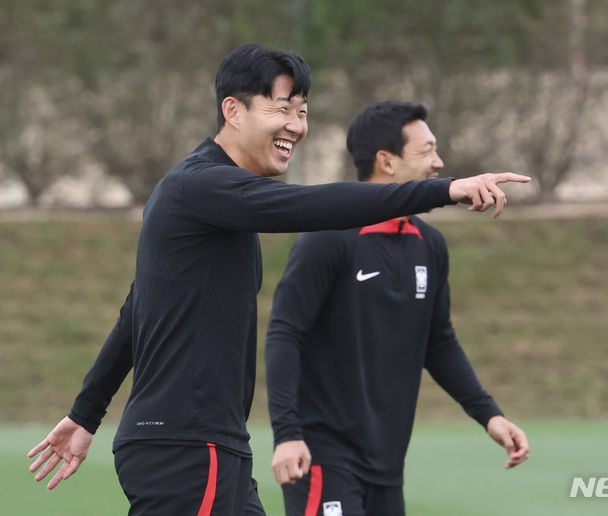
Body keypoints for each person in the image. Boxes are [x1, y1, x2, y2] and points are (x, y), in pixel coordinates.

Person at [27, 44, 530, 515]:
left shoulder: (218, 207)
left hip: (208, 446)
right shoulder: (201, 183)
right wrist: (444, 189)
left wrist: (86, 412)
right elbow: (315, 205)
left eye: (303, 112)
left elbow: (136, 313)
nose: (296, 125)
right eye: (282, 108)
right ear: (232, 111)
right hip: (185, 447)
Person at [266, 101, 530, 516]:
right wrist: (286, 434)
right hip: (323, 459)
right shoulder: (328, 239)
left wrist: (489, 416)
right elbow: (284, 332)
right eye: (426, 151)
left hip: (388, 464)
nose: (438, 162)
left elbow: (438, 343)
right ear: (386, 161)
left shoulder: (430, 246)